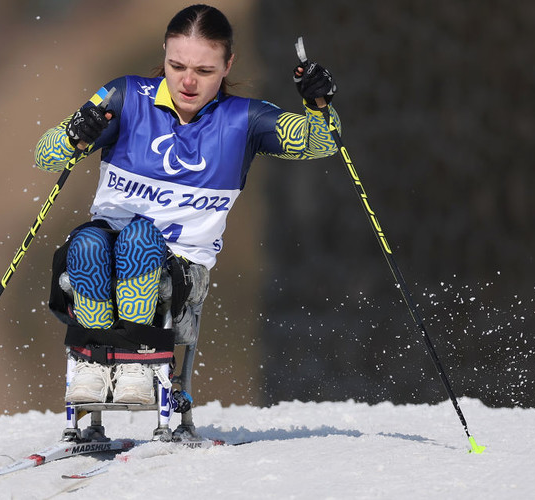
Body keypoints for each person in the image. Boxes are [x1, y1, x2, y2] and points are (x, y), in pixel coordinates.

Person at [34, 4, 341, 429]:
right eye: (176, 65)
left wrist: (319, 102)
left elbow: (322, 142)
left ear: (228, 64)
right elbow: (45, 155)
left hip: (179, 262)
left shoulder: (243, 120)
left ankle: (138, 362)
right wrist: (74, 134)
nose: (188, 81)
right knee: (85, 244)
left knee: (140, 239)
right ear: (164, 54)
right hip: (106, 243)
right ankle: (94, 364)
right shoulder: (125, 97)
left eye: (205, 69)